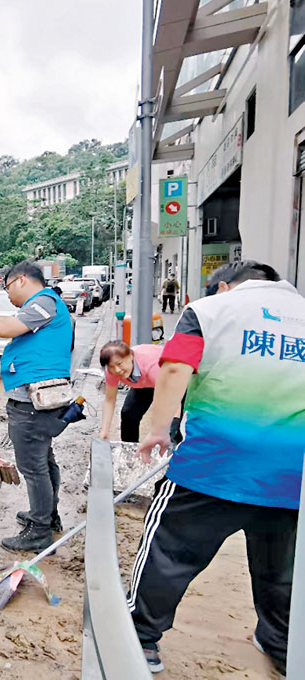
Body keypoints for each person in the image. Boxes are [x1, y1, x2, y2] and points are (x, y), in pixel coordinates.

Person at [129, 261, 305, 676]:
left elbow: (174, 367)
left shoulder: (210, 311)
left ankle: (141, 639)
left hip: (212, 465)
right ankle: (281, 645)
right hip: (291, 475)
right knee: (281, 569)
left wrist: (157, 428)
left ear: (225, 286)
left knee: (168, 552)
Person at [0, 261, 72, 551]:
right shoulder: (37, 312)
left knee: (34, 467)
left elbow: (2, 329)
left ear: (21, 280)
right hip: (36, 401)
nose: (8, 295)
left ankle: (39, 529)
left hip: (33, 406)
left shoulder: (45, 302)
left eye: (7, 287)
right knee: (44, 462)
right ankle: (48, 516)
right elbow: (12, 360)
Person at [98, 341, 183, 443]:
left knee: (175, 427)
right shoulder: (112, 371)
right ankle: (130, 450)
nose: (117, 370)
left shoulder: (153, 366)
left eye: (119, 364)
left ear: (130, 356)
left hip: (175, 377)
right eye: (111, 366)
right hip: (144, 380)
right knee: (129, 414)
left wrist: (173, 426)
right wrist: (104, 431)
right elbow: (109, 400)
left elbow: (173, 399)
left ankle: (176, 452)